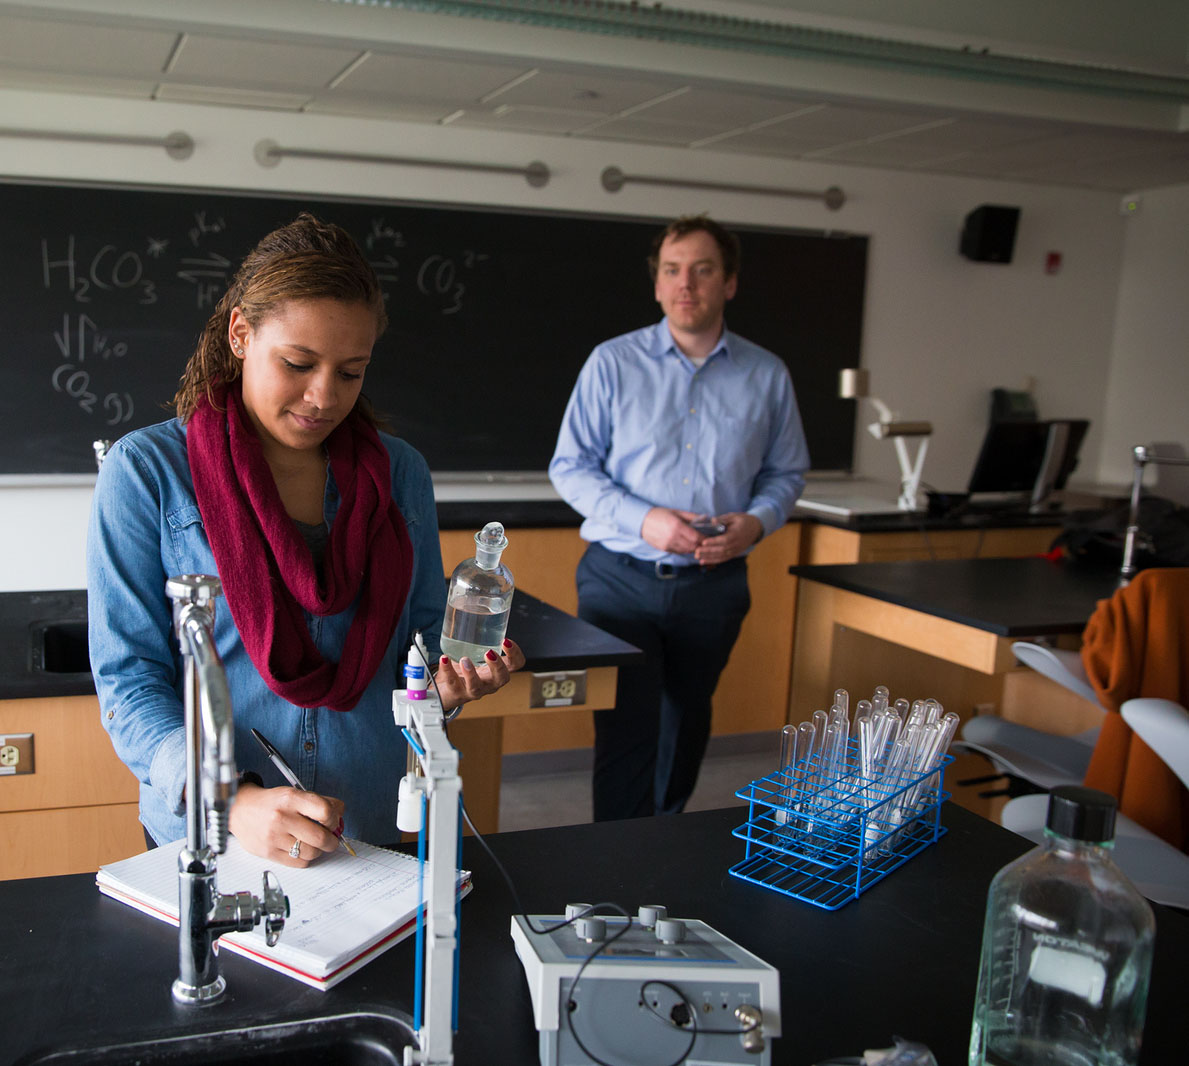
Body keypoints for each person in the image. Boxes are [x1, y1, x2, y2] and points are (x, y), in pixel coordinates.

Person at [88, 213, 524, 863]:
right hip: (216, 829)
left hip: (368, 822)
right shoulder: (146, 472)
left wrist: (444, 687)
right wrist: (230, 800)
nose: (323, 396)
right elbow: (129, 681)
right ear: (240, 333)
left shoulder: (399, 473)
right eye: (297, 363)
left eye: (350, 372)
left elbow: (422, 642)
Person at [549, 213, 809, 820]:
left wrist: (758, 521)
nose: (685, 283)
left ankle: (663, 852)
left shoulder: (766, 374)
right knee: (625, 725)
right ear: (658, 284)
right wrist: (647, 521)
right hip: (621, 576)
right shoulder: (612, 363)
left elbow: (785, 473)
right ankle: (613, 860)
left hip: (713, 585)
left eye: (702, 269)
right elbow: (570, 466)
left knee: (684, 722)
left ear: (729, 283)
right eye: (672, 270)